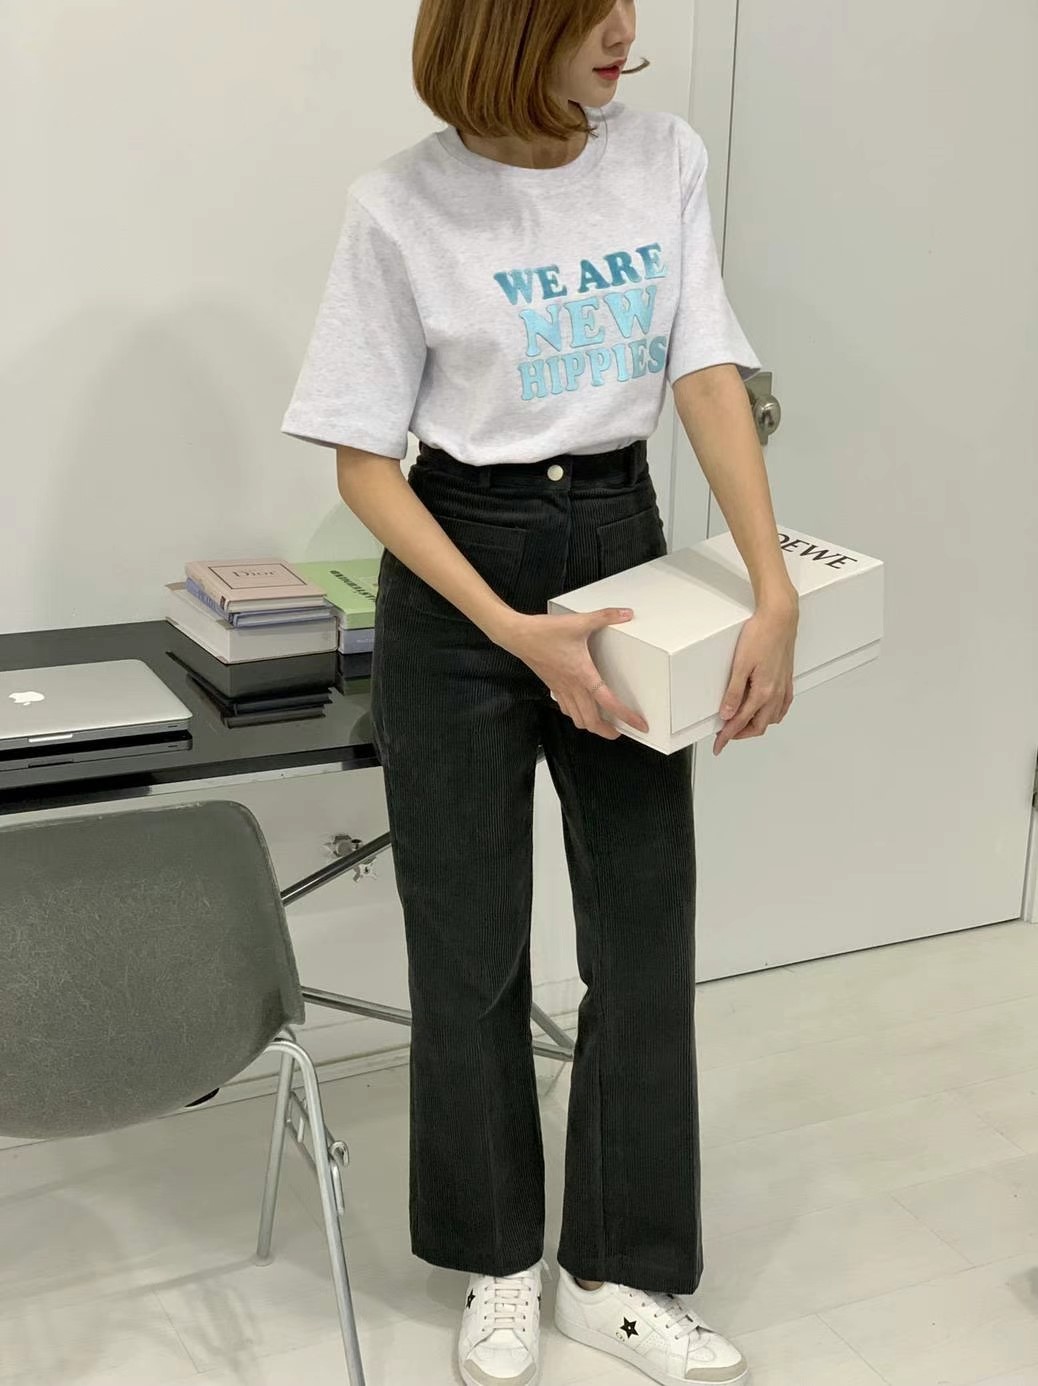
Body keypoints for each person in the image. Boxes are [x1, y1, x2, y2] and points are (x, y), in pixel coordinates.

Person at [281, 2, 799, 1382]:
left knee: (643, 929)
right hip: (462, 575)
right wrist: (513, 628)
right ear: (509, 25)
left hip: (623, 548)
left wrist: (771, 586)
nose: (624, 29)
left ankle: (617, 1271)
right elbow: (363, 461)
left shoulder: (662, 157)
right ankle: (498, 1260)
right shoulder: (399, 206)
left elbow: (704, 374)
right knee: (467, 948)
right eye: (586, 11)